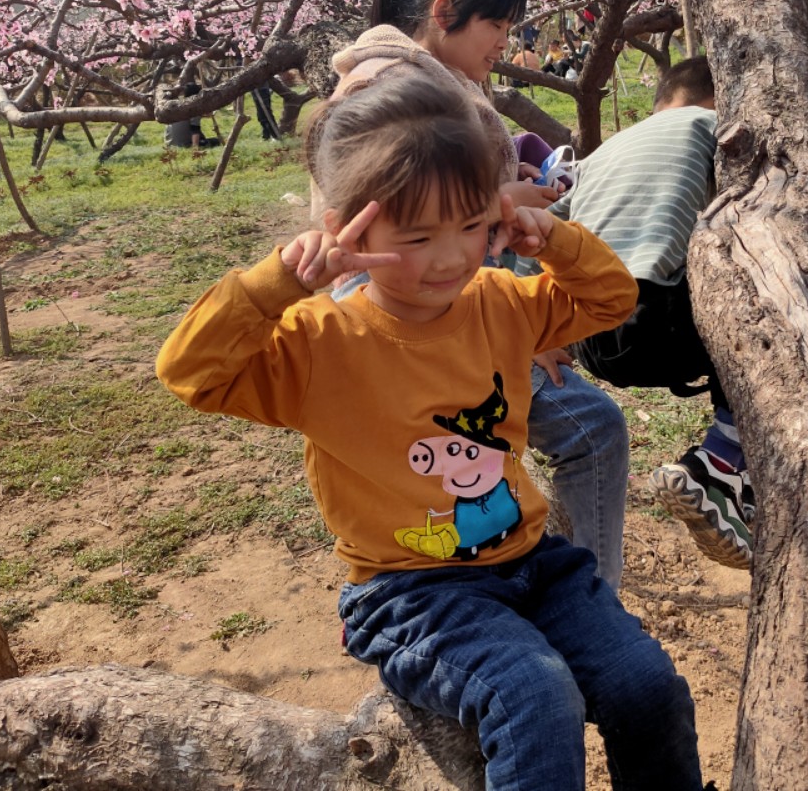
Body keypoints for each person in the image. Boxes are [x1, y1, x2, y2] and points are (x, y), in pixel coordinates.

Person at [156, 74, 702, 791]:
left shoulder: (501, 300)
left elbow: (610, 298)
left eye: (474, 226)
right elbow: (189, 372)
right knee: (534, 696)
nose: (450, 257)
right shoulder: (316, 343)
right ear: (347, 229)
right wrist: (271, 287)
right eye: (417, 237)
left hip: (536, 564)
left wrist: (556, 240)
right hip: (411, 592)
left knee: (646, 684)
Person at [519, 55, 808, 569]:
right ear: (722, 106)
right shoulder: (714, 130)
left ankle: (737, 481)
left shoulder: (599, 156)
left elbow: (534, 227)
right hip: (648, 316)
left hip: (589, 338)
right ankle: (718, 461)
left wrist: (538, 335)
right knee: (765, 310)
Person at [323, 0, 633, 590]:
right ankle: (588, 596)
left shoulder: (418, 79)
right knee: (590, 429)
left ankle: (526, 576)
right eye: (496, 24)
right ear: (444, 11)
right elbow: (415, 222)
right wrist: (509, 208)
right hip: (417, 302)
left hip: (444, 294)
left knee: (480, 458)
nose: (505, 41)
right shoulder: (397, 85)